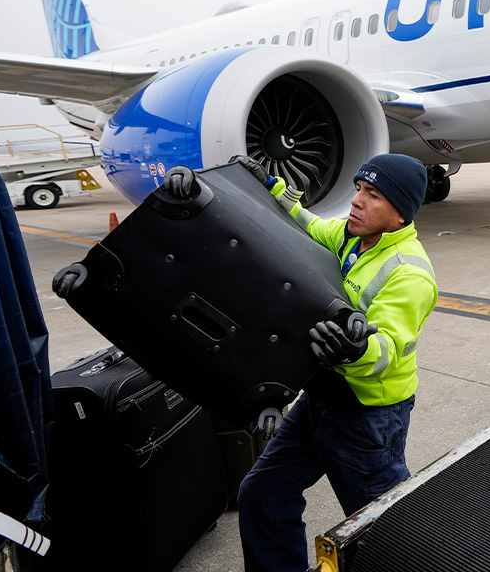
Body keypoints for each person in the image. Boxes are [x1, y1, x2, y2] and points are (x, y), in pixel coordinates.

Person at [170, 154, 438, 572]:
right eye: (358, 189)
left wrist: (354, 349)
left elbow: (387, 350)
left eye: (373, 195)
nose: (357, 201)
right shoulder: (350, 237)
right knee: (262, 494)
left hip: (366, 417)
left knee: (381, 529)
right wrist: (268, 186)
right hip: (320, 399)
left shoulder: (410, 274)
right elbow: (306, 224)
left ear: (401, 212)